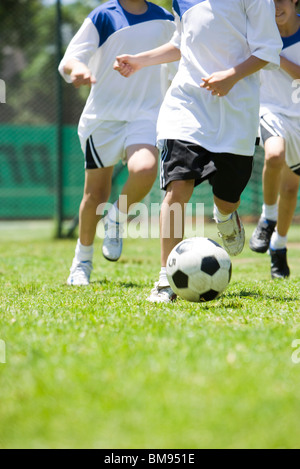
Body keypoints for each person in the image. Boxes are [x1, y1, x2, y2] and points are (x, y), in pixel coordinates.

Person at [114, 0, 283, 303]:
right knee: (177, 189)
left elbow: (267, 50)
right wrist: (140, 60)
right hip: (186, 107)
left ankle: (225, 214)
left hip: (236, 114)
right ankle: (166, 279)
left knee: (227, 198)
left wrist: (231, 75)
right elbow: (181, 44)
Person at [58, 0, 175, 286]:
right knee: (95, 194)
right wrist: (78, 71)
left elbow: (181, 56)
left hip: (146, 115)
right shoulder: (103, 16)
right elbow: (71, 58)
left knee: (145, 169)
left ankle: (116, 219)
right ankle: (82, 261)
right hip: (103, 118)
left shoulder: (166, 19)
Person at [249, 0, 300, 279]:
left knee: (291, 190)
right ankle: (268, 217)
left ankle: (278, 247)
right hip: (271, 110)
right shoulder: (258, 28)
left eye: (281, 0)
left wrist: (274, 55)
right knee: (273, 155)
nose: (276, 6)